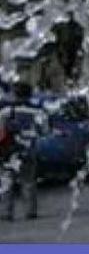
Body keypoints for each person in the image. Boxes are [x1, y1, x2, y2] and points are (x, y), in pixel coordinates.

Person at [0, 82, 47, 221]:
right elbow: (44, 130)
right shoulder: (38, 110)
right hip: (29, 149)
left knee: (6, 181)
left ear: (14, 94)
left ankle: (5, 212)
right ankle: (30, 211)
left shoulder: (6, 110)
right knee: (28, 181)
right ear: (30, 94)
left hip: (9, 151)